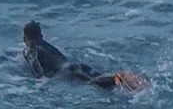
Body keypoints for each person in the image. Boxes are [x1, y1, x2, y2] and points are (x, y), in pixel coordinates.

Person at [21, 21, 149, 92]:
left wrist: (40, 84)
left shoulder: (30, 50)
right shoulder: (45, 45)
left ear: (24, 39)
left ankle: (120, 77)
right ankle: (129, 80)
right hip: (74, 65)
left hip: (66, 71)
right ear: (41, 36)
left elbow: (38, 72)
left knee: (91, 82)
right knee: (96, 76)